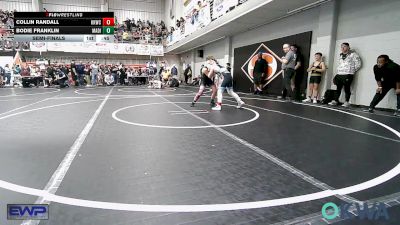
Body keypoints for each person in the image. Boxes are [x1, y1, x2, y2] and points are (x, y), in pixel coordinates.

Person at [328, 42, 362, 107]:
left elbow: (358, 64)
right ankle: (335, 100)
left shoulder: (353, 54)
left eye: (344, 46)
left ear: (348, 47)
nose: (343, 48)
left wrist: (352, 70)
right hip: (339, 74)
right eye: (342, 47)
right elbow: (340, 65)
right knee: (338, 88)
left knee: (347, 88)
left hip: (348, 74)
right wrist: (337, 73)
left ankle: (347, 102)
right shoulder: (340, 55)